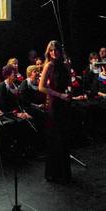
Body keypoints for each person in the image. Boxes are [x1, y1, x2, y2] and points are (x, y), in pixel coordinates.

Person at [38, 40, 72, 183]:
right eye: (51, 50)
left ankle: (64, 173)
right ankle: (54, 174)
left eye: (56, 50)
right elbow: (41, 87)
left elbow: (68, 83)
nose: (54, 52)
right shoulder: (49, 65)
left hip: (64, 102)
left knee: (64, 137)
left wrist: (68, 93)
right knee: (55, 138)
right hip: (54, 103)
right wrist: (59, 95)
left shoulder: (65, 65)